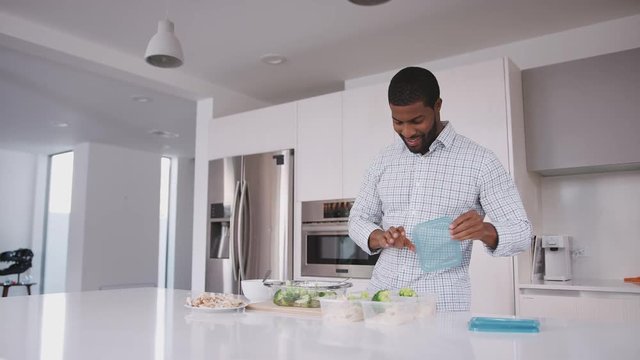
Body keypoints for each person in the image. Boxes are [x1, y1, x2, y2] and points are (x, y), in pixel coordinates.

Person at [348, 66, 531, 311]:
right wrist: (379, 237)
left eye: (417, 121)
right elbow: (357, 219)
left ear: (437, 106)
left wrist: (484, 230)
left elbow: (521, 231)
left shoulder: (480, 161)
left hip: (441, 305)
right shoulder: (383, 160)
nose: (408, 132)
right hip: (382, 301)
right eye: (398, 122)